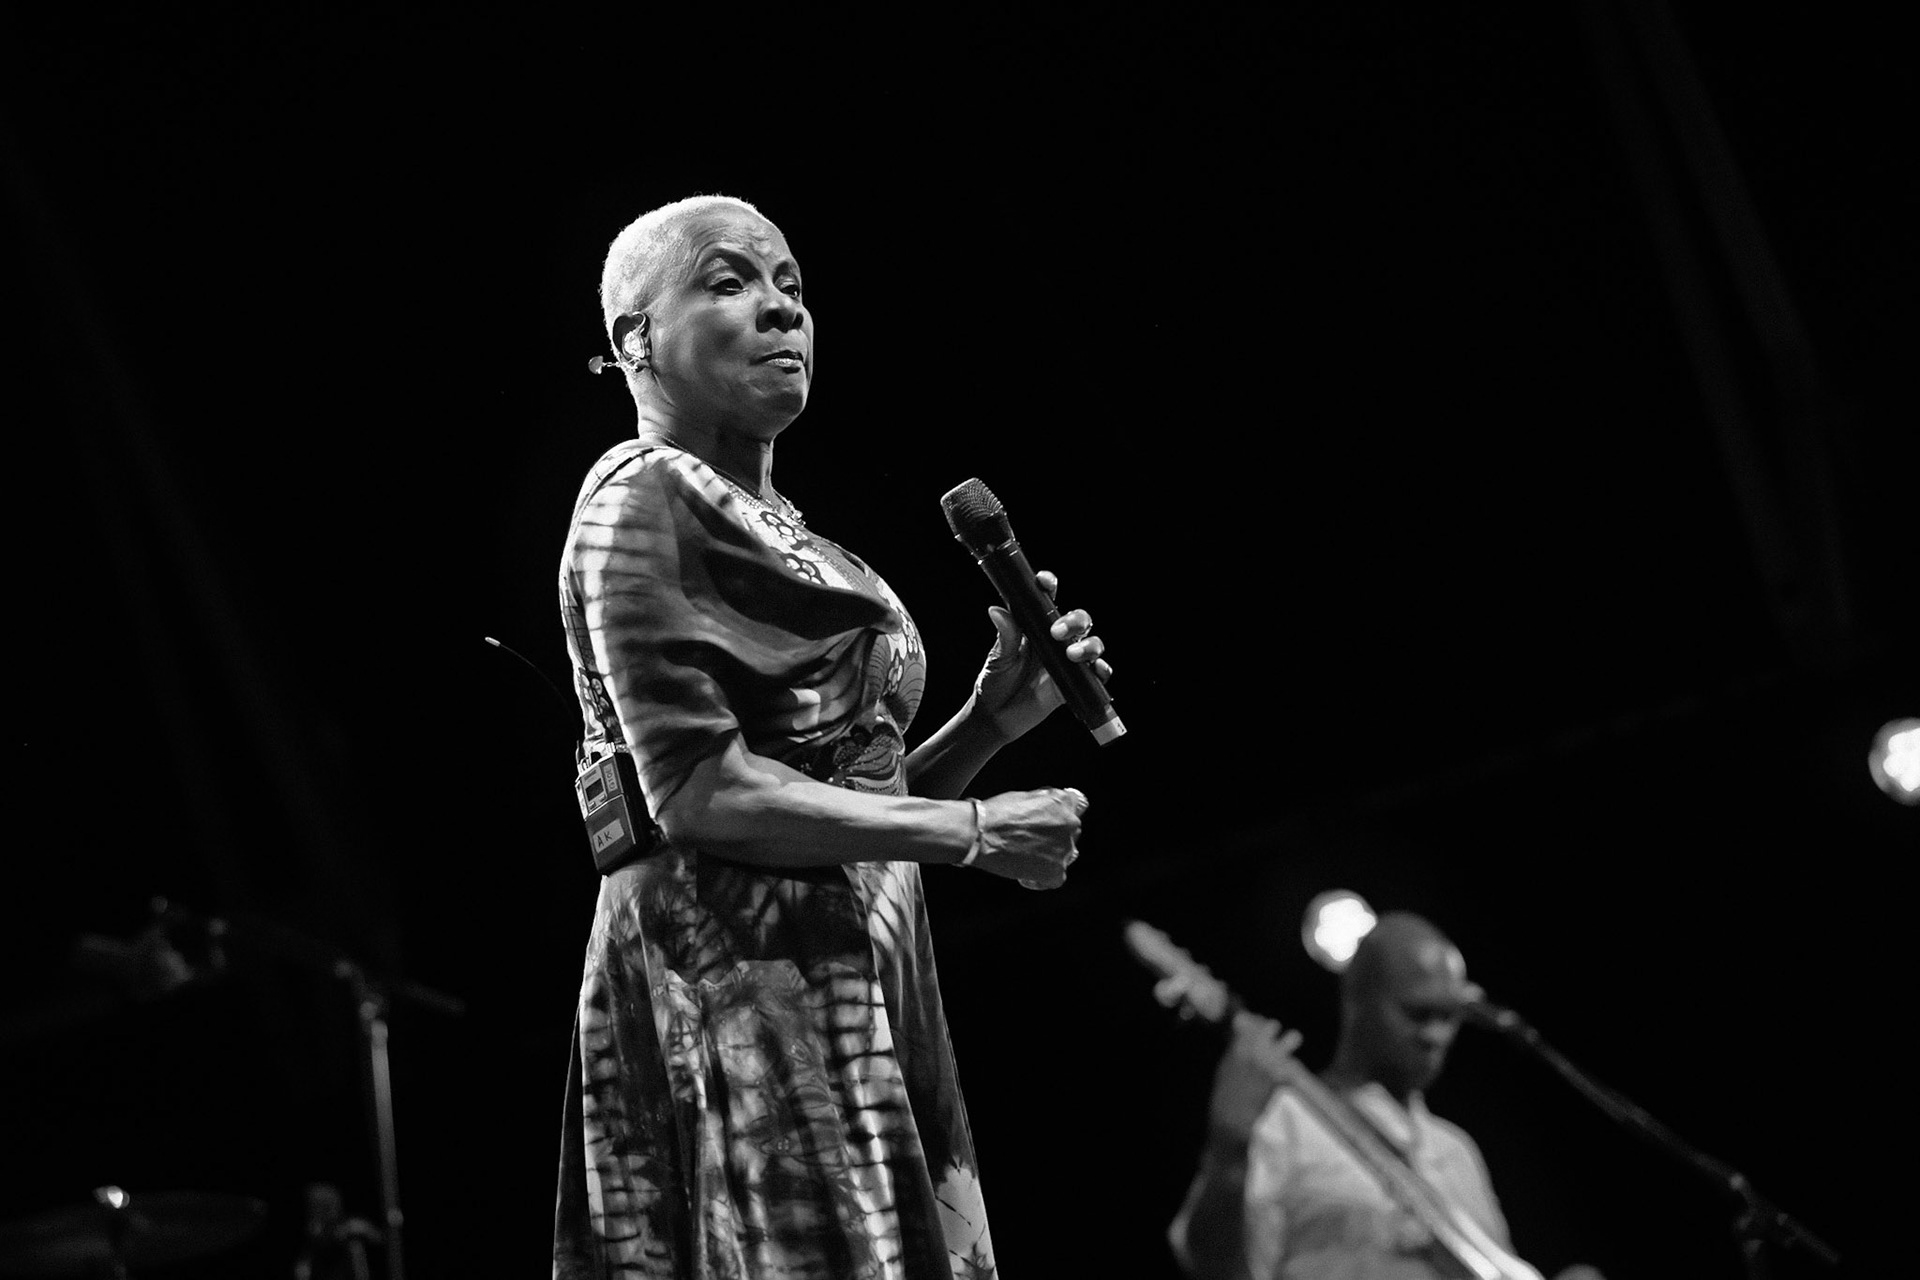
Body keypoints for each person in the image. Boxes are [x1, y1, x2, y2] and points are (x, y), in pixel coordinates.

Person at [551, 194, 1110, 1280]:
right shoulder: (638, 494)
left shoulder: (802, 533)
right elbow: (702, 794)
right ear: (635, 338)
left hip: (854, 969)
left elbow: (848, 796)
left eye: (792, 287)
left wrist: (992, 723)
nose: (779, 311)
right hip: (741, 985)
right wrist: (976, 830)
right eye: (728, 283)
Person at [1165, 912, 1604, 1280]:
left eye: (1449, 1017)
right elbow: (1213, 1267)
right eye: (1418, 1013)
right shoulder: (1287, 1120)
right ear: (1357, 1000)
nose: (1435, 1035)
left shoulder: (1457, 1151)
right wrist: (1228, 1153)